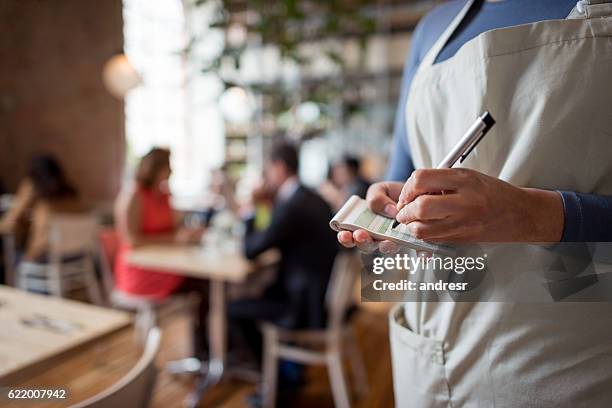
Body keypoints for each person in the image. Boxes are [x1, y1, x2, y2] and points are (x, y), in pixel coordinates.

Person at [339, 0, 612, 406]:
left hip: (563, 357)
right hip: (429, 345)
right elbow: (407, 170)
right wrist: (392, 202)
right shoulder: (430, 31)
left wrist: (535, 215)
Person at [228, 141, 339, 362]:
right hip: (320, 296)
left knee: (233, 308)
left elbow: (251, 249)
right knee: (258, 291)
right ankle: (281, 369)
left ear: (279, 167)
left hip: (302, 307)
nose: (267, 177)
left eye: (268, 170)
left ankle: (273, 380)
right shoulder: (313, 198)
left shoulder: (292, 206)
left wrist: (251, 208)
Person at [114, 147, 208, 357]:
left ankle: (205, 350)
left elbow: (174, 229)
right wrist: (173, 238)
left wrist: (188, 234)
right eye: (168, 166)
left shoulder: (164, 195)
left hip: (166, 266)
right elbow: (131, 240)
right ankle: (203, 351)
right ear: (155, 168)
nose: (172, 171)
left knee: (206, 284)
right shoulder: (133, 196)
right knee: (204, 287)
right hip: (141, 272)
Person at [0, 154, 85, 261]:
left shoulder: (37, 193)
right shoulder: (71, 195)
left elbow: (10, 223)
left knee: (13, 257)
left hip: (45, 256)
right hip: (76, 256)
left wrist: (23, 197)